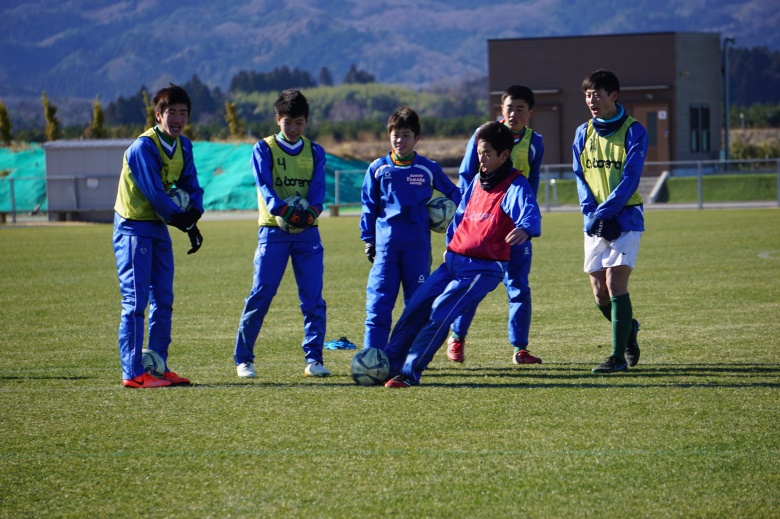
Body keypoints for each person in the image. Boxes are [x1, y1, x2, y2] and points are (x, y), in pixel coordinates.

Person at [383, 121, 542, 387]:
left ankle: (409, 374)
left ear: (504, 155)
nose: (481, 158)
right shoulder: (479, 180)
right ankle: (388, 364)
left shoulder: (515, 184)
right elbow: (459, 217)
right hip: (453, 262)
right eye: (479, 152)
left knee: (440, 313)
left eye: (488, 153)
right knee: (415, 308)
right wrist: (449, 246)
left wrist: (526, 227)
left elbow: (528, 208)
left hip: (483, 269)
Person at [234, 89, 330, 379]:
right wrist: (283, 210)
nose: (294, 128)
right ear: (278, 120)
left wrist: (312, 211)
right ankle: (244, 359)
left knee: (313, 298)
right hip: (274, 230)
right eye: (288, 122)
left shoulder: (315, 151)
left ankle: (314, 359)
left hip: (308, 232)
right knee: (261, 294)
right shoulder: (263, 149)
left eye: (299, 123)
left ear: (306, 122)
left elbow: (318, 189)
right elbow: (264, 185)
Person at [113, 83, 204, 388]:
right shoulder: (143, 147)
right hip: (133, 227)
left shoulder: (184, 146)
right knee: (136, 302)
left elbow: (192, 185)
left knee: (163, 300)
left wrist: (195, 214)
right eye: (172, 112)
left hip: (158, 226)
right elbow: (154, 193)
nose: (178, 119)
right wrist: (182, 220)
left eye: (183, 113)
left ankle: (157, 366)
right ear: (158, 114)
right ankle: (133, 373)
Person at [447, 85, 545, 366]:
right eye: (509, 107)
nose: (514, 113)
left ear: (531, 113)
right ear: (501, 109)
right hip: (483, 226)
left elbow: (532, 180)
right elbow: (467, 176)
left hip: (514, 229)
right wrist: (470, 216)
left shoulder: (535, 142)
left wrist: (527, 218)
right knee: (474, 284)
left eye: (520, 109)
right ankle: (457, 338)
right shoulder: (484, 135)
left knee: (518, 287)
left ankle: (520, 349)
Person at [360, 106, 461, 351]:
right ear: (389, 136)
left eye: (406, 135)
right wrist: (369, 240)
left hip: (417, 250)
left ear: (417, 138)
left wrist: (461, 221)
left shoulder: (428, 168)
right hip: (386, 250)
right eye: (395, 134)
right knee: (379, 304)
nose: (399, 140)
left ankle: (410, 356)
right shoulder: (377, 169)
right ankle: (373, 356)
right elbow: (369, 206)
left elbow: (456, 195)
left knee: (417, 305)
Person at [572, 69, 644, 373]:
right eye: (588, 95)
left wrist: (604, 212)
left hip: (625, 217)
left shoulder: (634, 130)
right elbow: (579, 174)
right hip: (595, 220)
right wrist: (590, 212)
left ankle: (616, 358)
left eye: (598, 94)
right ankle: (629, 329)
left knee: (616, 284)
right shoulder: (582, 132)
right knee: (599, 292)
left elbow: (630, 178)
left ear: (613, 96)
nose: (592, 100)